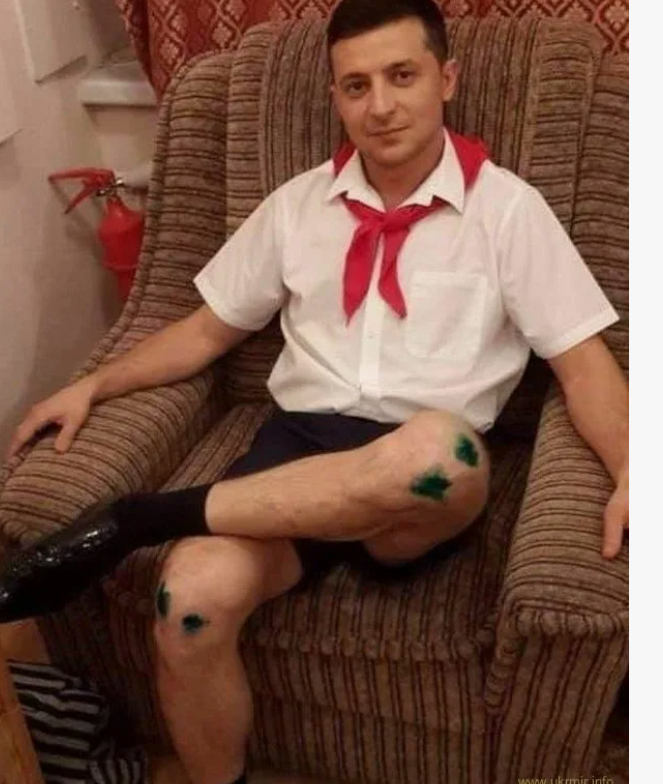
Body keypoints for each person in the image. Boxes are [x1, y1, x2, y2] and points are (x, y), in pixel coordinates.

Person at [0, 1, 628, 782]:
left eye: (402, 76)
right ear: (335, 97)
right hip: (294, 455)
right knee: (186, 600)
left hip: (421, 487)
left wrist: (632, 467)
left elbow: (581, 362)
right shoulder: (297, 206)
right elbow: (204, 331)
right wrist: (94, 384)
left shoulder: (507, 211)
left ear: (446, 79)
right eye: (356, 85)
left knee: (440, 452)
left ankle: (138, 519)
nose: (380, 105)